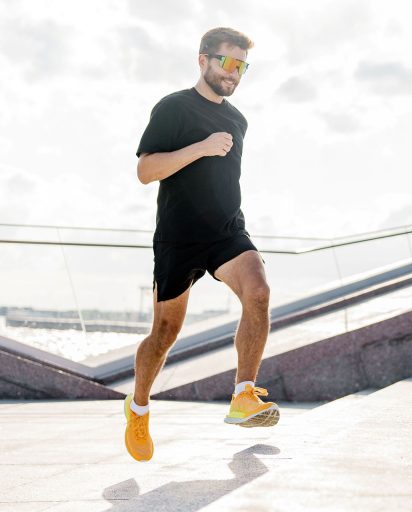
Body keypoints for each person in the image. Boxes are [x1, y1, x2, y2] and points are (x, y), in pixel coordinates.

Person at [123, 27, 279, 462]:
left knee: (259, 291)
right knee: (165, 333)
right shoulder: (173, 108)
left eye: (242, 65)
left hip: (227, 232)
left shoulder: (238, 119)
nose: (234, 73)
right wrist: (203, 148)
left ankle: (243, 395)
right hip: (178, 237)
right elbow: (146, 170)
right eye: (227, 62)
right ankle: (137, 407)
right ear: (203, 60)